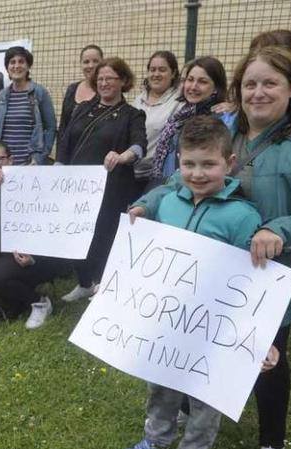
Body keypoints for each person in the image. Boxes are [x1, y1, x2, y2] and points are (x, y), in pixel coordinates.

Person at [130, 46, 291, 449]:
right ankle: (177, 423)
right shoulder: (229, 134)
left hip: (268, 282)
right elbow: (178, 179)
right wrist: (147, 203)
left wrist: (280, 230)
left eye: (270, 83)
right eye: (250, 83)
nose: (258, 92)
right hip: (207, 276)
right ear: (238, 90)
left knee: (267, 365)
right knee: (196, 351)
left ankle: (272, 445)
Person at [117, 116, 263, 449]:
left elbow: (253, 285)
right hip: (167, 322)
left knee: (203, 399)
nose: (198, 174)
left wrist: (257, 336)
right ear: (178, 162)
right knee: (160, 384)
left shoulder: (243, 217)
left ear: (229, 164)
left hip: (212, 329)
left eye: (208, 164)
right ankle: (157, 440)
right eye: (189, 164)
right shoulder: (167, 203)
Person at [56, 57, 147, 302]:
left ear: (124, 81)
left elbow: (139, 146)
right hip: (77, 187)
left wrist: (122, 156)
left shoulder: (132, 114)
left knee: (104, 235)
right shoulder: (83, 108)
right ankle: (85, 282)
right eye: (100, 79)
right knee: (77, 234)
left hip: (112, 187)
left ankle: (103, 286)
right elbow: (65, 142)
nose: (104, 83)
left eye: (110, 78)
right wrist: (57, 170)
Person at [0, 140, 68, 328]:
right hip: (6, 256)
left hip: (37, 257)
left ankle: (40, 303)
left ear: (11, 160)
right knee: (1, 313)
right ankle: (33, 292)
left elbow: (51, 223)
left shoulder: (30, 182)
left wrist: (33, 256)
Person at [147, 57, 228, 183]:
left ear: (216, 87)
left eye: (202, 81)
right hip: (165, 186)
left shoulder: (222, 119)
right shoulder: (180, 115)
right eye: (190, 80)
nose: (193, 87)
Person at [0, 46, 56, 165]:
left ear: (28, 66)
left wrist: (39, 158)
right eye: (12, 62)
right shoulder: (3, 95)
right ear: (7, 68)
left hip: (30, 163)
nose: (16, 66)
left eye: (21, 61)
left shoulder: (39, 92)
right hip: (6, 163)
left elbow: (50, 128)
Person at [131, 51, 183, 186]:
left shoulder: (179, 102)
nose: (156, 74)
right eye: (152, 70)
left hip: (157, 176)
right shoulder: (138, 100)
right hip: (131, 172)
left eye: (162, 70)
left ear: (173, 73)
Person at [58, 44, 103, 140]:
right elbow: (63, 126)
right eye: (86, 62)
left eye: (95, 61)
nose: (91, 65)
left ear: (102, 63)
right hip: (71, 151)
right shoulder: (72, 89)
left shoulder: (107, 91)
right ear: (81, 64)